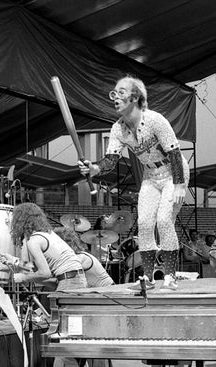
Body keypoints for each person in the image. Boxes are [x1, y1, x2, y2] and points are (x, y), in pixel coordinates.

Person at [78, 75, 189, 291]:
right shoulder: (118, 128)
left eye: (120, 92)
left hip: (174, 172)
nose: (115, 98)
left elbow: (175, 152)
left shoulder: (155, 120)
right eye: (113, 93)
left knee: (164, 220)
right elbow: (111, 159)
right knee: (146, 223)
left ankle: (170, 277)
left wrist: (178, 185)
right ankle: (147, 279)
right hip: (150, 176)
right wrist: (94, 168)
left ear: (135, 96)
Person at [0, 203, 87, 291]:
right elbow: (36, 267)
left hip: (69, 281)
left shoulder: (34, 241)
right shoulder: (49, 233)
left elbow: (45, 273)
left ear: (20, 221)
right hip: (75, 278)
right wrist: (14, 261)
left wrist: (23, 277)